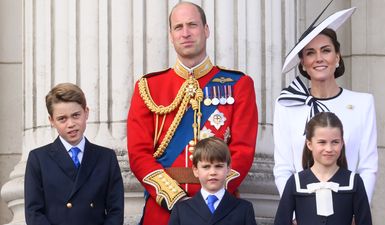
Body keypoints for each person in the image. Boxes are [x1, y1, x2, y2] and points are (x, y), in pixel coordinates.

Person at [127, 2, 258, 225]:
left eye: (192, 25)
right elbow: (139, 155)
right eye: (178, 27)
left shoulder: (239, 85)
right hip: (163, 211)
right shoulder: (148, 87)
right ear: (171, 35)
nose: (185, 33)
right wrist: (175, 198)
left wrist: (210, 196)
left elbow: (242, 151)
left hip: (219, 210)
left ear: (206, 30)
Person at [273, 5, 378, 203]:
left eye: (326, 50)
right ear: (303, 62)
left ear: (337, 57)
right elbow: (283, 167)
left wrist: (358, 210)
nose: (319, 58)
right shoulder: (287, 105)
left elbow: (368, 167)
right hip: (302, 208)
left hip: (348, 208)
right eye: (310, 53)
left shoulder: (363, 103)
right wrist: (294, 211)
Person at [24, 83, 124, 225]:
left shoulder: (106, 158)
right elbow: (34, 213)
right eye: (62, 119)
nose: (71, 124)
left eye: (76, 115)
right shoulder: (38, 159)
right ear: (51, 121)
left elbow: (116, 211)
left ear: (86, 112)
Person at [274, 112, 372, 225]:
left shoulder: (354, 181)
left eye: (335, 142)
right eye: (322, 142)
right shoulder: (295, 182)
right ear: (309, 144)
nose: (329, 148)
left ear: (342, 143)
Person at [168, 137, 257, 225]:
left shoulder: (244, 209)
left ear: (228, 169)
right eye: (206, 167)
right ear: (196, 170)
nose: (213, 172)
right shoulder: (181, 210)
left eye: (218, 166)